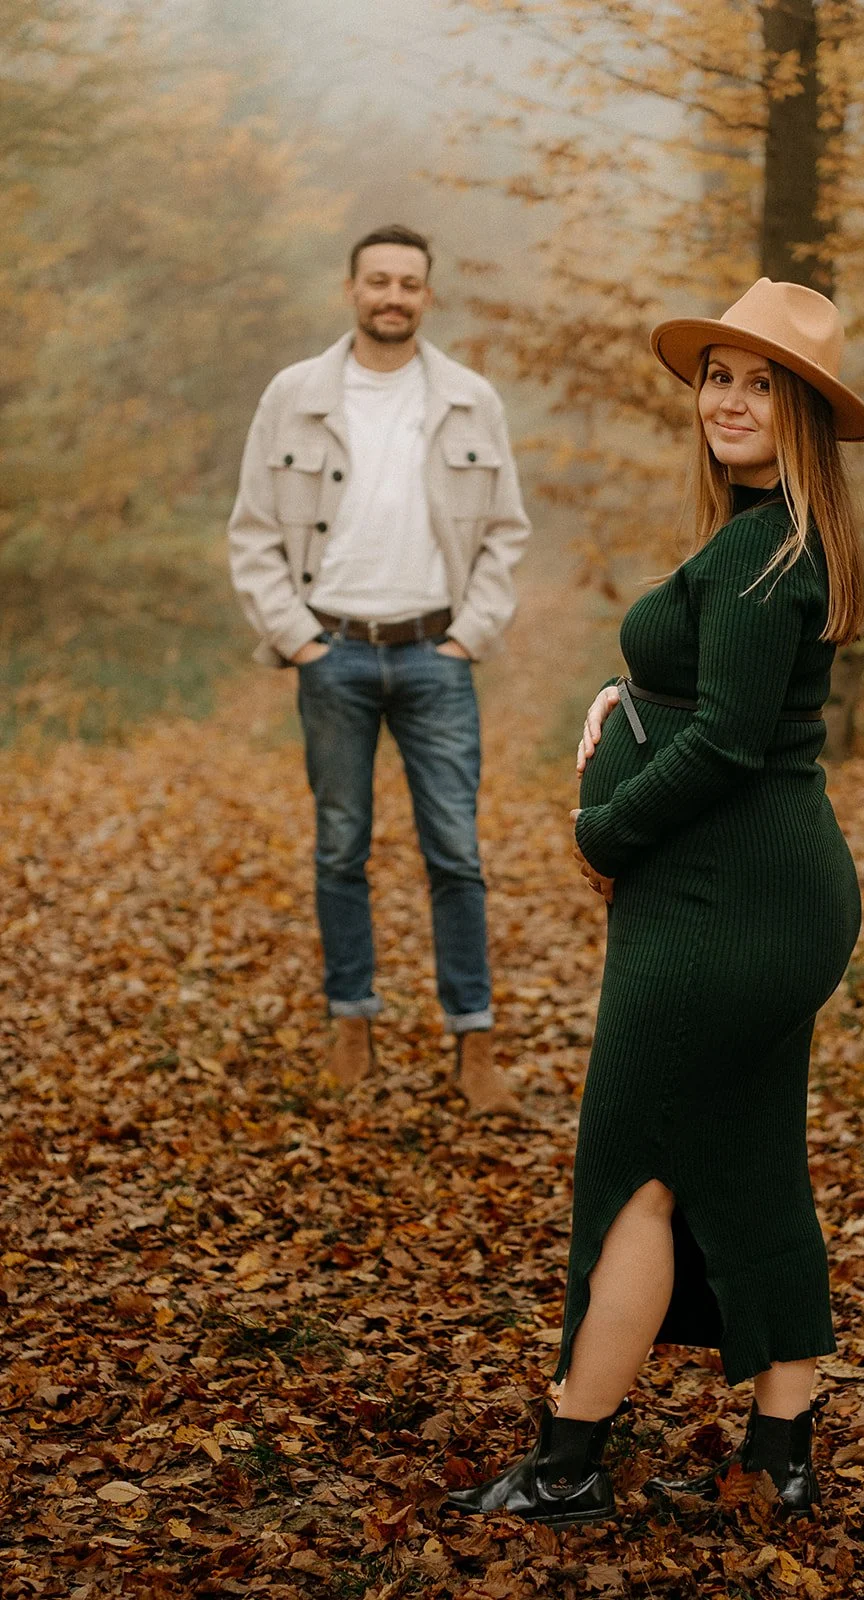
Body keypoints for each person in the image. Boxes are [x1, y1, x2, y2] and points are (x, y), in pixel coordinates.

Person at [445, 278, 864, 1525]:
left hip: (720, 908)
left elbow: (732, 741)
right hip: (759, 899)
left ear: (803, 412)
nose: (728, 401)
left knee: (634, 1166)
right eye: (718, 377)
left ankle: (568, 1461)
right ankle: (779, 1452)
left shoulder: (760, 553)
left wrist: (604, 829)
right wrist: (622, 700)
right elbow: (716, 698)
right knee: (748, 1161)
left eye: (761, 384)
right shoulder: (773, 537)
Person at [228, 224, 530, 1114]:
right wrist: (298, 641)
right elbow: (253, 530)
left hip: (437, 654)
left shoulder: (470, 399)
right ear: (351, 288)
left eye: (409, 283)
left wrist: (470, 636)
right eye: (378, 280)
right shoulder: (294, 395)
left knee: (457, 854)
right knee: (339, 849)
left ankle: (474, 1044)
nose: (393, 296)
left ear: (427, 296)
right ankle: (351, 1024)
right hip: (333, 652)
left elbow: (505, 531)